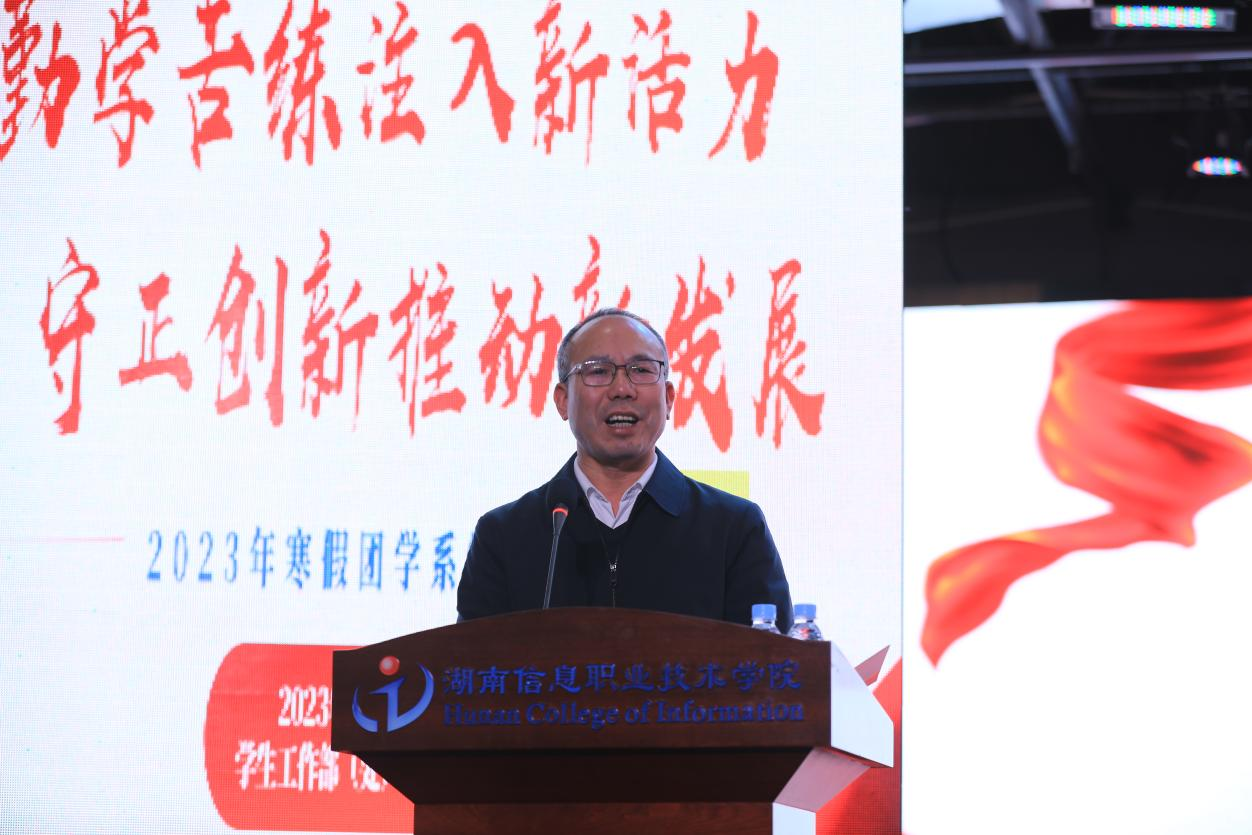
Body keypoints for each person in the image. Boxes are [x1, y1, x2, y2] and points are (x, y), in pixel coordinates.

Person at [456, 308, 792, 631]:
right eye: (598, 371)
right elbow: (469, 665)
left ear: (669, 398)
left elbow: (778, 664)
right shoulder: (503, 536)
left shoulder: (734, 529)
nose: (621, 389)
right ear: (562, 400)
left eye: (641, 370)